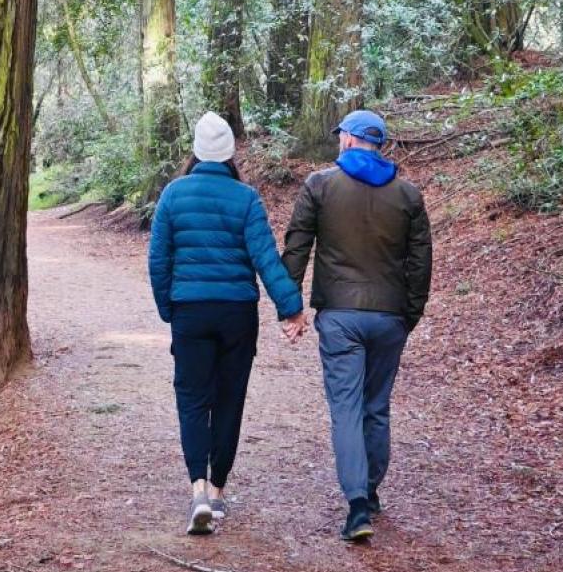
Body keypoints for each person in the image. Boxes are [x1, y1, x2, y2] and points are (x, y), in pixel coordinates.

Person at [149, 111, 309, 535]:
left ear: (196, 151)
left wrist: (170, 309)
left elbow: (158, 261)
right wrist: (290, 307)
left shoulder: (173, 195)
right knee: (229, 401)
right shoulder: (246, 198)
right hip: (237, 314)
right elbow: (266, 259)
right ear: (230, 154)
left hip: (191, 313)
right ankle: (218, 495)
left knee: (192, 400)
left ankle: (197, 489)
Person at [283, 109, 432, 543]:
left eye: (340, 136)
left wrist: (290, 308)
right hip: (389, 317)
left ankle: (357, 507)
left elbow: (297, 248)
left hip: (341, 318)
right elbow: (421, 263)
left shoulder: (320, 186)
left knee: (346, 408)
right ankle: (369, 490)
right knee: (376, 406)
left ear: (348, 140)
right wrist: (410, 314)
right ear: (378, 143)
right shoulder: (407, 195)